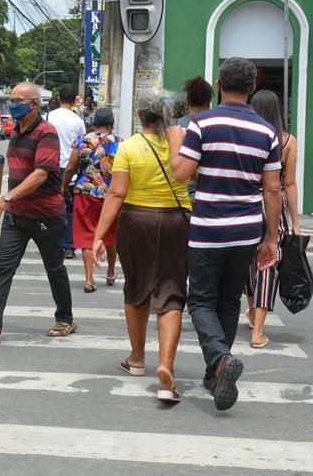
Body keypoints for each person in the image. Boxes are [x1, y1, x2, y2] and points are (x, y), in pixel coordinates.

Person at [169, 57, 282, 411]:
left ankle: (219, 359)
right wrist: (272, 239)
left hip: (208, 229)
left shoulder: (202, 124)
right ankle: (215, 373)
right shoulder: (267, 132)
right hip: (247, 230)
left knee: (200, 300)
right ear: (252, 87)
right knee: (229, 301)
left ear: (219, 84)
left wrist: (176, 141)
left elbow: (181, 173)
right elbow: (273, 190)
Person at [92, 92, 191, 404]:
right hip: (177, 220)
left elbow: (117, 194)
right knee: (171, 292)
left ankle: (136, 358)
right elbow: (195, 175)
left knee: (136, 288)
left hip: (136, 221)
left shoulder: (129, 146)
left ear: (139, 114)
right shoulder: (180, 142)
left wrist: (98, 234)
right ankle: (166, 366)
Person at [0, 82, 76, 344]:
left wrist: (8, 197)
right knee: (2, 267)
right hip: (17, 215)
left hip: (46, 215)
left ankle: (65, 318)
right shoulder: (15, 130)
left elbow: (40, 174)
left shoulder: (47, 133)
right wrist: (0, 194)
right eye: (12, 100)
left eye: (17, 100)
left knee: (54, 267)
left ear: (34, 104)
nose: (13, 105)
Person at [244, 90, 300, 348]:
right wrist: (295, 222)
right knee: (269, 264)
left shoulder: (247, 137)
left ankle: (251, 311)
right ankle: (258, 330)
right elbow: (288, 183)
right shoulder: (288, 141)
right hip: (274, 206)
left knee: (248, 259)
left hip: (246, 204)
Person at [61, 107, 120, 293]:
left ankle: (89, 280)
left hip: (85, 193)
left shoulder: (82, 141)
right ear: (112, 124)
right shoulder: (120, 143)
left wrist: (63, 188)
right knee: (110, 235)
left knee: (87, 236)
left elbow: (70, 168)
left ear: (94, 123)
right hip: (110, 195)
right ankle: (111, 272)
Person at [47, 85, 87, 259]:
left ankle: (51, 244)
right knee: (70, 207)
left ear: (58, 99)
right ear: (74, 101)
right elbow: (82, 146)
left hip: (49, 168)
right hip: (71, 170)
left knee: (49, 206)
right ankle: (69, 246)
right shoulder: (78, 121)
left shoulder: (47, 117)